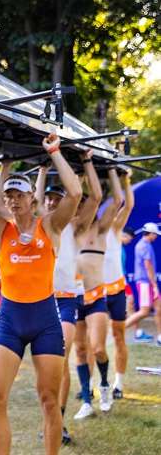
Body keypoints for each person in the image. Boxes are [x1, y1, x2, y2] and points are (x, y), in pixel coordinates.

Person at [0, 134, 81, 455]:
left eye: (19, 194)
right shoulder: (0, 229)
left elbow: (76, 192)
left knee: (49, 400)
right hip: (10, 319)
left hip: (45, 321)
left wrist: (54, 152)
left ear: (32, 200)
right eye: (8, 195)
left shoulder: (49, 227)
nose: (13, 200)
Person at [68, 160, 121, 419]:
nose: (80, 211)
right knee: (79, 350)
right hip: (74, 297)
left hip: (97, 296)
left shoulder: (99, 230)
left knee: (98, 348)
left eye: (84, 206)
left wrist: (113, 170)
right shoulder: (67, 231)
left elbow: (118, 200)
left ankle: (104, 385)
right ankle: (86, 400)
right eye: (77, 207)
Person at [102, 170, 134, 400]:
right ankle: (97, 383)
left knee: (118, 337)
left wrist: (125, 179)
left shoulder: (114, 230)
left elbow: (127, 203)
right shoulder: (85, 231)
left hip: (116, 291)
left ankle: (118, 384)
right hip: (95, 294)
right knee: (95, 342)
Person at [125, 222, 160, 345]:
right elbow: (148, 266)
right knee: (144, 311)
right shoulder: (144, 246)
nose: (156, 237)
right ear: (149, 233)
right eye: (154, 234)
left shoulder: (145, 245)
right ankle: (120, 328)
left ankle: (160, 337)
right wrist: (154, 284)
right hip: (145, 282)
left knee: (158, 308)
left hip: (146, 282)